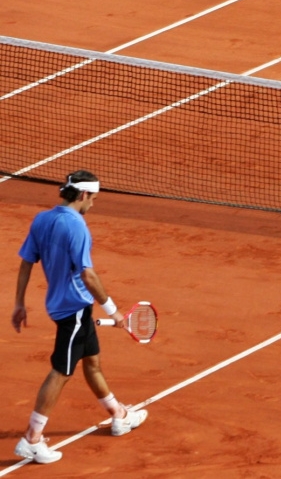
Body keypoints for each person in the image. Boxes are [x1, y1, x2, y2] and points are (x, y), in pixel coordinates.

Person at [11, 170, 148, 464]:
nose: (94, 204)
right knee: (62, 371)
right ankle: (31, 439)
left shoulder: (41, 219)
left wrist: (19, 303)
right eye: (94, 198)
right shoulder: (77, 226)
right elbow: (87, 274)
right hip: (72, 309)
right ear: (84, 195)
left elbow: (25, 263)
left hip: (70, 307)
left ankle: (119, 415)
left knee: (92, 361)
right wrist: (113, 311)